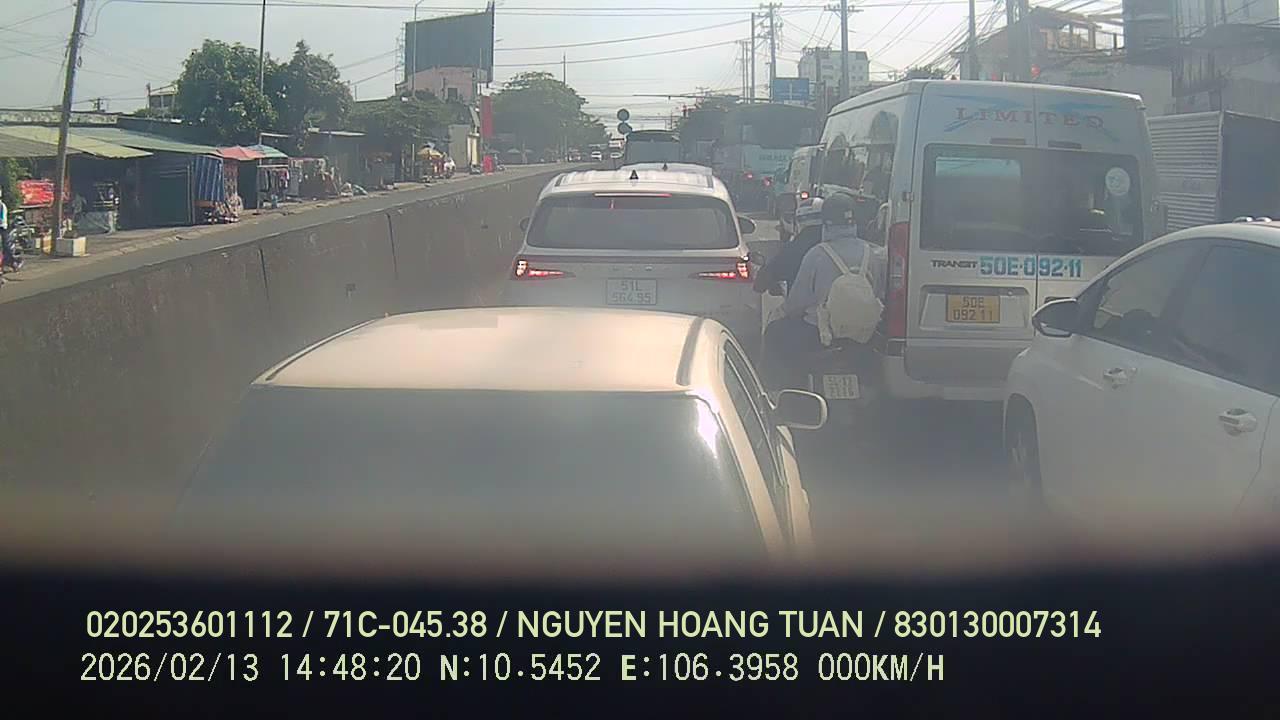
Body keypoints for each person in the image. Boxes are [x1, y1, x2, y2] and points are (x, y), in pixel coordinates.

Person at [760, 191, 886, 392]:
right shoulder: (870, 253)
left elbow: (796, 303)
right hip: (863, 335)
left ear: (825, 223)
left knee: (774, 333)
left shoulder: (817, 254)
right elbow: (877, 293)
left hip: (818, 333)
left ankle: (778, 394)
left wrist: (785, 312)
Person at [754, 197, 825, 296]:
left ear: (800, 221)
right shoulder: (841, 243)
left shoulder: (796, 249)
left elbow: (763, 280)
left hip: (805, 303)